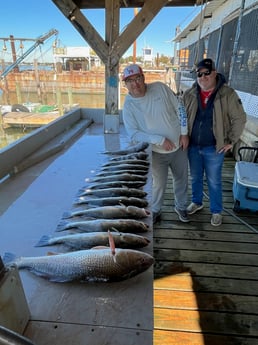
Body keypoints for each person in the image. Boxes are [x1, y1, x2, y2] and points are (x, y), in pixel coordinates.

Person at [122, 64, 189, 224]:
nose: (135, 84)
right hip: (156, 152)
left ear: (143, 77)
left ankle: (181, 206)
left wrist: (184, 133)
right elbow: (134, 133)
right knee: (158, 184)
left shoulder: (160, 87)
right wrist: (159, 140)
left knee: (182, 179)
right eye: (130, 81)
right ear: (125, 84)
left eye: (137, 78)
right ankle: (156, 209)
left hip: (179, 145)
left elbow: (180, 108)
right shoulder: (128, 105)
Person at [182, 58, 246, 226]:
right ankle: (197, 202)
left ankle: (216, 211)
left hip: (214, 148)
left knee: (214, 180)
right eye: (199, 74)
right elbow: (181, 117)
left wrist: (231, 141)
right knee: (195, 177)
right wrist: (183, 135)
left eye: (207, 73)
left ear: (215, 73)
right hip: (193, 146)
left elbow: (239, 118)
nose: (203, 77)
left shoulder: (228, 94)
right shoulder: (189, 94)